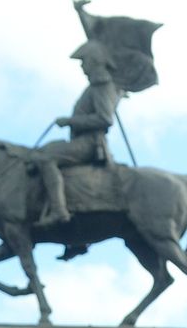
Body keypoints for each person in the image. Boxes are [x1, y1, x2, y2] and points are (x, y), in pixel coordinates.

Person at [33, 40, 121, 227]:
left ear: (95, 61)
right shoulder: (97, 86)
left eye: (84, 61)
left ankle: (59, 211)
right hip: (82, 140)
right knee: (42, 151)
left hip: (90, 143)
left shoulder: (102, 85)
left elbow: (105, 119)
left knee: (46, 158)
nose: (82, 66)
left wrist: (69, 121)